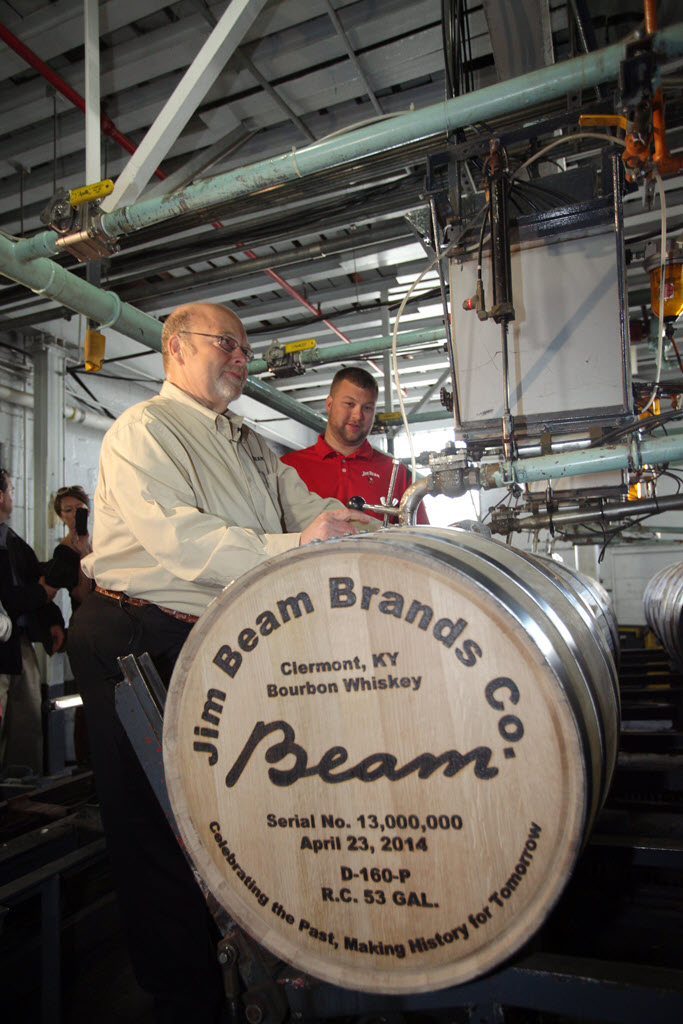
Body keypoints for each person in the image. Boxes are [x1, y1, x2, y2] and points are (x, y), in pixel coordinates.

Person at [67, 301, 371, 1024]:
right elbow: (180, 540)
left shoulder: (246, 439)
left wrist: (366, 529)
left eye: (245, 346)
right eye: (225, 344)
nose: (241, 357)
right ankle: (183, 994)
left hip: (209, 635)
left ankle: (242, 961)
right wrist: (294, 549)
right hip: (133, 638)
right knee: (155, 828)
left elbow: (302, 507)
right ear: (175, 349)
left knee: (225, 815)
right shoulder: (144, 431)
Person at [280, 365, 429, 523]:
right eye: (349, 404)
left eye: (367, 408)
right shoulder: (288, 467)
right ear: (329, 404)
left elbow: (419, 538)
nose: (358, 416)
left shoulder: (396, 474)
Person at [0, 468, 66, 776]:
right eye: (11, 490)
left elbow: (32, 577)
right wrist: (40, 592)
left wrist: (52, 619)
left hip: (20, 645)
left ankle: (21, 793)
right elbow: (12, 596)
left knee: (26, 719)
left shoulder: (12, 541)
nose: (14, 496)